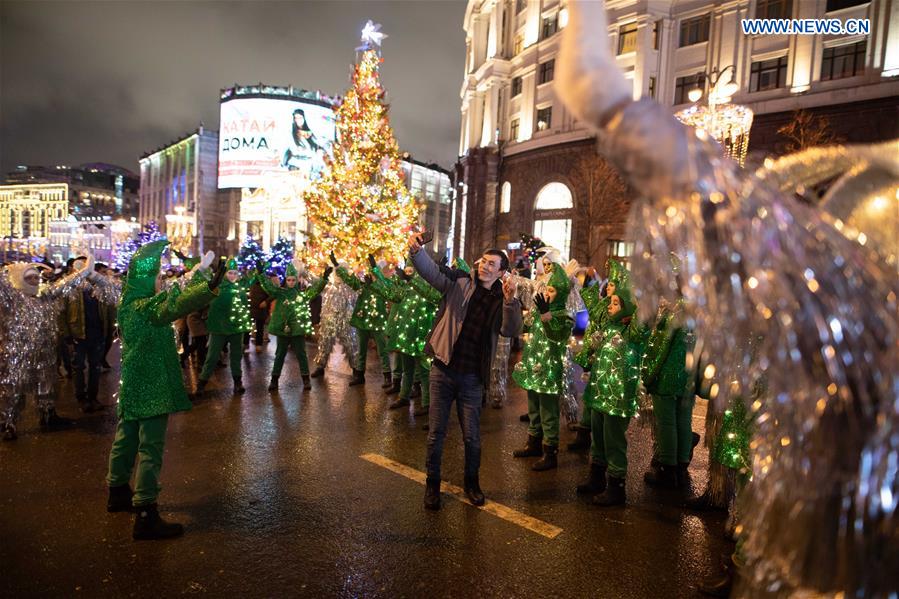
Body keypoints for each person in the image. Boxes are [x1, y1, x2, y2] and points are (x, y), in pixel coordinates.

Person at [105, 240, 224, 539]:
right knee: (151, 447)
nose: (161, 280)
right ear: (146, 279)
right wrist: (206, 287)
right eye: (157, 276)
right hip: (152, 384)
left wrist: (199, 273)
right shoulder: (146, 308)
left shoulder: (130, 302)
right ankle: (146, 513)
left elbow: (171, 294)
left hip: (133, 383)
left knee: (125, 438)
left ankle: (117, 491)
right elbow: (174, 303)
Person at [409, 235, 522, 510]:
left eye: (492, 264)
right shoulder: (460, 281)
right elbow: (432, 272)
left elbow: (510, 330)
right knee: (436, 434)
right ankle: (432, 485)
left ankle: (472, 483)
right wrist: (416, 251)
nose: (485, 266)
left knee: (471, 436)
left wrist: (510, 302)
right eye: (483, 261)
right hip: (443, 370)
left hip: (472, 378)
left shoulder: (502, 299)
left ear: (501, 272)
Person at [0, 257, 95, 440]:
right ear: (19, 279)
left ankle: (48, 415)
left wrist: (84, 271)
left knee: (46, 386)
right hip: (16, 356)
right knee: (13, 390)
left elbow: (64, 285)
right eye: (29, 278)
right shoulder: (11, 299)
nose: (34, 281)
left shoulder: (45, 298)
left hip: (45, 355)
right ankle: (8, 424)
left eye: (36, 278)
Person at [576, 285, 644, 507]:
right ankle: (596, 479)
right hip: (599, 393)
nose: (610, 306)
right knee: (598, 436)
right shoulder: (607, 326)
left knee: (614, 440)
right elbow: (597, 311)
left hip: (617, 398)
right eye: (610, 302)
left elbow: (643, 321)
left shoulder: (632, 332)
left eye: (616, 303)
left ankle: (616, 488)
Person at [511, 266, 574, 470]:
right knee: (533, 407)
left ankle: (550, 451)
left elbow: (557, 336)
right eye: (547, 289)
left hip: (549, 370)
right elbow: (522, 326)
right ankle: (534, 443)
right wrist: (515, 301)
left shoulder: (564, 316)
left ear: (561, 293)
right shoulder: (539, 309)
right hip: (533, 366)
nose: (547, 293)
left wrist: (547, 315)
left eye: (552, 291)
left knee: (548, 412)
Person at [258, 259, 329, 392]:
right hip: (283, 330)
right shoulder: (280, 293)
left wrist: (324, 279)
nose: (291, 282)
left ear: (296, 280)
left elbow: (315, 290)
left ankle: (306, 379)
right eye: (289, 280)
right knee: (280, 354)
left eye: (293, 280)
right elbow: (269, 287)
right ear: (286, 280)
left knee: (301, 354)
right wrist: (261, 274)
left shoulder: (301, 295)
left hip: (297, 329)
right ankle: (274, 380)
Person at [64, 256, 121, 412]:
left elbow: (110, 308)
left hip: (97, 334)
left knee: (95, 367)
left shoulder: (100, 288)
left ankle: (93, 397)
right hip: (78, 334)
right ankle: (81, 398)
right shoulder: (70, 288)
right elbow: (62, 313)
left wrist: (112, 329)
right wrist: (67, 335)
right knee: (79, 367)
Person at [332, 252, 392, 387]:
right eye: (370, 273)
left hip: (378, 322)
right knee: (361, 350)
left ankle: (387, 376)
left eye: (373, 273)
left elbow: (385, 285)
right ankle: (359, 375)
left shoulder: (382, 286)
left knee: (382, 350)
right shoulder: (362, 285)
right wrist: (337, 265)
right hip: (362, 321)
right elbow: (349, 279)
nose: (371, 276)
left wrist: (375, 269)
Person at [195, 258, 252, 395]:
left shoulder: (240, 289)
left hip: (236, 328)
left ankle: (238, 383)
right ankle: (201, 384)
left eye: (235, 273)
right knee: (212, 357)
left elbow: (245, 305)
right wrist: (202, 268)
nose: (232, 276)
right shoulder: (217, 287)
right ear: (225, 273)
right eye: (230, 273)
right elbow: (201, 286)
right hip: (218, 328)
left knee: (236, 356)